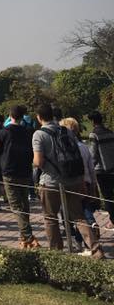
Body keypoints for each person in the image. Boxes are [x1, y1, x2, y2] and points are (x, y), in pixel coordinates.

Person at [32, 102, 103, 257]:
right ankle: (96, 249)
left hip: (51, 181)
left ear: (39, 117)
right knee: (79, 217)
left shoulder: (39, 134)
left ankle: (56, 253)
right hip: (72, 179)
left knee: (50, 218)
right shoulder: (67, 131)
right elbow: (77, 156)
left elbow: (38, 161)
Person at [0, 105, 39, 249]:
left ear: (10, 116)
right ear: (22, 117)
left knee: (16, 206)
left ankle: (29, 236)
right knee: (24, 204)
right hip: (25, 171)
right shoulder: (28, 132)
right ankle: (24, 237)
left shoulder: (4, 132)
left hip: (9, 171)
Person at [60, 117, 100, 248]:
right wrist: (93, 184)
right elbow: (91, 168)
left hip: (73, 182)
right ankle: (90, 225)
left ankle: (79, 240)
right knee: (84, 208)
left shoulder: (65, 148)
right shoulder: (83, 147)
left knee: (76, 214)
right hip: (86, 181)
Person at [89, 110, 114, 229]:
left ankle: (112, 220)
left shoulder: (94, 135)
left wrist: (90, 168)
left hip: (102, 170)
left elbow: (93, 154)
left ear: (93, 121)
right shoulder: (110, 133)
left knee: (107, 196)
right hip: (112, 167)